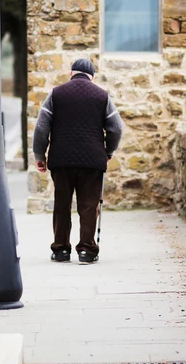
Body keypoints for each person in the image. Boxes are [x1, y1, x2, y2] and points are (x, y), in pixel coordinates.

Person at [33, 58, 124, 265]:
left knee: (62, 205)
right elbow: (116, 128)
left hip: (61, 160)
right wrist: (108, 151)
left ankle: (61, 250)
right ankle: (86, 251)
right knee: (89, 206)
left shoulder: (56, 94)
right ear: (92, 77)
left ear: (71, 74)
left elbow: (41, 128)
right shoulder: (102, 95)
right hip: (92, 161)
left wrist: (40, 156)